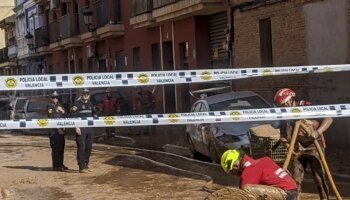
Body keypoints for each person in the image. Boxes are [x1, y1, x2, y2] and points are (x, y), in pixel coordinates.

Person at [274, 88, 333, 200]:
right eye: (280, 106)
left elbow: (329, 118)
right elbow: (282, 136)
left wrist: (317, 132)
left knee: (319, 178)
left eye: (283, 105)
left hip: (314, 146)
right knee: (295, 181)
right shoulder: (284, 114)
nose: (282, 108)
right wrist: (287, 145)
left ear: (290, 100)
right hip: (296, 149)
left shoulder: (306, 106)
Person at [221, 149, 298, 200]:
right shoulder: (262, 161)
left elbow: (240, 195)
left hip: (286, 194)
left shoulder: (249, 171)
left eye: (232, 172)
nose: (234, 175)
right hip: (292, 191)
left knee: (246, 190)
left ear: (235, 166)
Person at [70, 88, 96, 173]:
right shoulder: (76, 104)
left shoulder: (90, 103)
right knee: (81, 147)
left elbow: (95, 114)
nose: (86, 95)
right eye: (84, 94)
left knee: (89, 147)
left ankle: (86, 164)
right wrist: (76, 127)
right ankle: (81, 166)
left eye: (87, 94)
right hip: (81, 128)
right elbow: (73, 116)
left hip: (90, 128)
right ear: (81, 94)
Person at [47, 91, 68, 171]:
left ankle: (60, 164)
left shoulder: (60, 106)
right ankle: (56, 165)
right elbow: (51, 117)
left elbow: (66, 115)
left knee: (61, 148)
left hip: (61, 130)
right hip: (54, 131)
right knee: (56, 148)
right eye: (53, 97)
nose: (55, 99)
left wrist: (62, 111)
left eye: (56, 97)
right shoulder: (50, 106)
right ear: (50, 98)